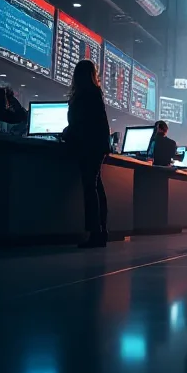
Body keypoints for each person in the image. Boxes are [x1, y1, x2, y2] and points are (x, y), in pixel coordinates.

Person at [63, 60, 112, 249]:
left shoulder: (82, 96)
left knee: (90, 188)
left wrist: (66, 133)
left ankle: (94, 233)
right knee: (97, 187)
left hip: (87, 146)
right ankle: (101, 231)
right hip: (97, 146)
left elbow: (78, 124)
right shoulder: (95, 93)